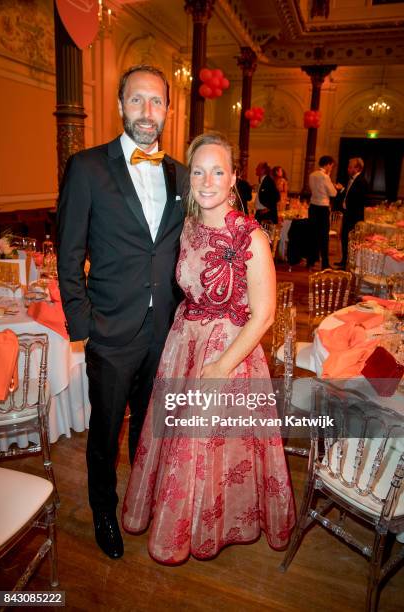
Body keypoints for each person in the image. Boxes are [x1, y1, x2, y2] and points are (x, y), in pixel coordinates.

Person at [122, 132, 295, 564]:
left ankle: (204, 528)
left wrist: (220, 365)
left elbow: (265, 315)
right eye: (198, 170)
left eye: (218, 170)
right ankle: (182, 522)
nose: (207, 180)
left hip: (228, 356)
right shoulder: (190, 226)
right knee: (181, 444)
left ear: (234, 176)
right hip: (184, 344)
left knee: (205, 446)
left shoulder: (250, 237)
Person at [57, 65, 186, 560]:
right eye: (137, 101)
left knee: (153, 425)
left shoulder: (179, 172)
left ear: (167, 110)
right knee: (106, 432)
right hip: (110, 330)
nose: (147, 112)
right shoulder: (88, 167)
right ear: (119, 105)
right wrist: (83, 326)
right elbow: (69, 254)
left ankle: (142, 498)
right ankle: (104, 511)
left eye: (156, 102)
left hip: (166, 329)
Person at [306, 155, 341, 271]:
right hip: (322, 209)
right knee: (323, 237)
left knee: (312, 235)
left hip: (312, 207)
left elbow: (313, 189)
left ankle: (310, 261)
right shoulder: (325, 177)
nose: (332, 168)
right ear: (327, 164)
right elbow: (333, 193)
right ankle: (325, 264)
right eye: (331, 166)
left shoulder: (312, 175)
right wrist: (337, 187)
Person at [335, 157, 368, 269]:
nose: (348, 169)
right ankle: (344, 261)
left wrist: (343, 190)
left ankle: (350, 263)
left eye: (350, 167)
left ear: (358, 168)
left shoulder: (361, 181)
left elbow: (360, 199)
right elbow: (348, 195)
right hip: (348, 214)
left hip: (354, 216)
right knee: (344, 238)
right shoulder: (351, 180)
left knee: (351, 240)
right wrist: (343, 190)